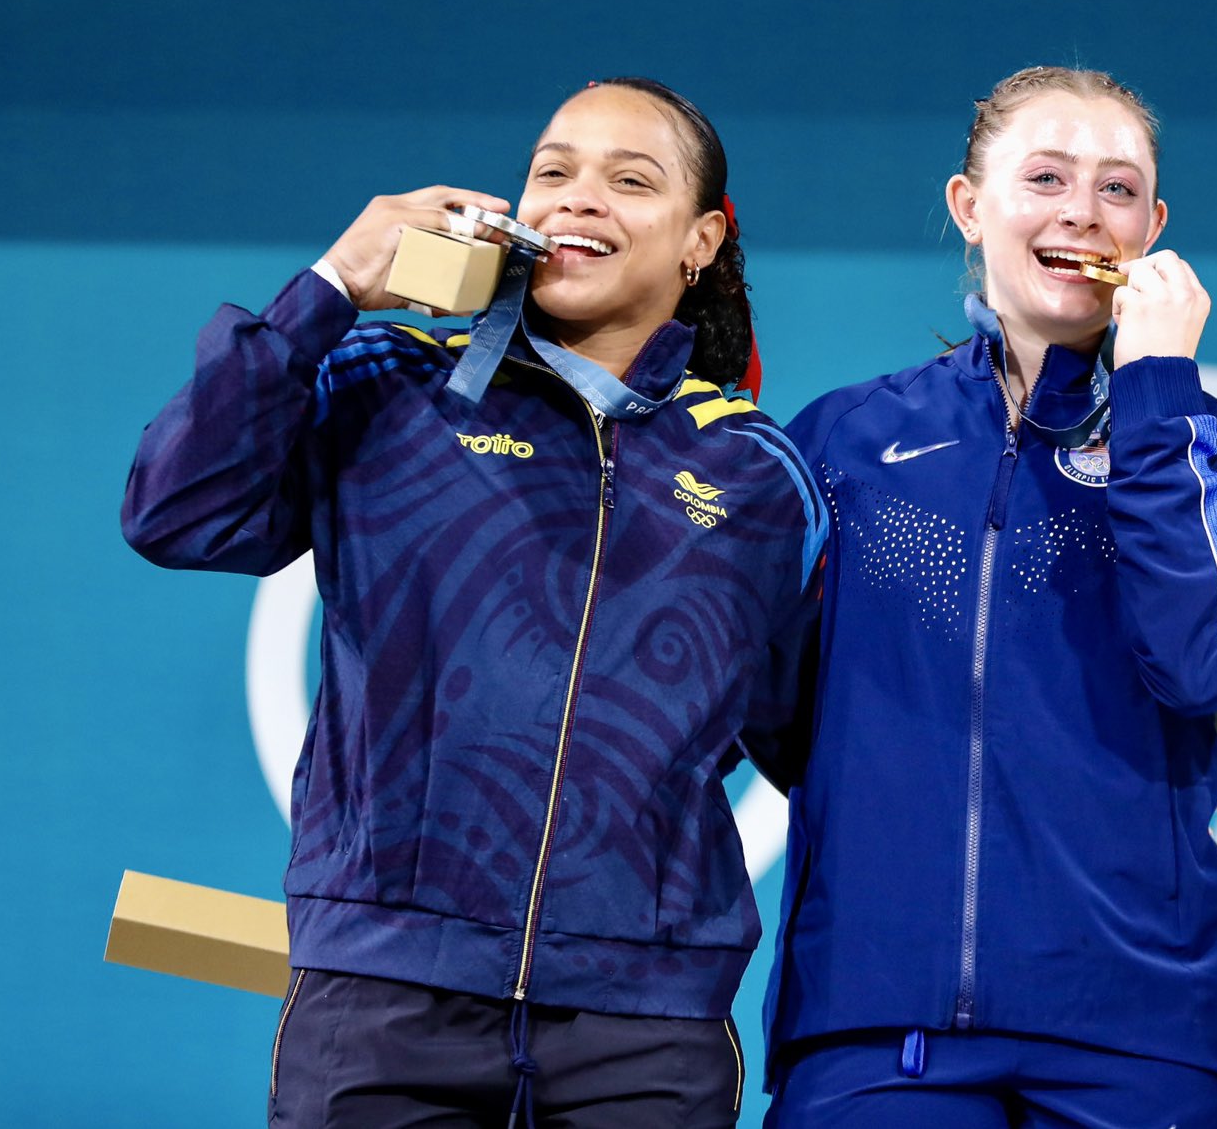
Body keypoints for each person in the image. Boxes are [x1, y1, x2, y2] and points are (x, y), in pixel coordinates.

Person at [122, 78, 826, 1128]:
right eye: (552, 172)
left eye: (631, 180)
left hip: (644, 1029)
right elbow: (177, 511)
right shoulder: (385, 384)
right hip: (384, 1005)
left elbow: (815, 737)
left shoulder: (757, 474)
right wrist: (331, 287)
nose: (578, 198)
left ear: (700, 241)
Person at [762, 66, 1217, 1128]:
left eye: (1115, 189)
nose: (1079, 212)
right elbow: (777, 710)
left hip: (1139, 1032)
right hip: (879, 1026)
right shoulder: (843, 442)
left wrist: (1156, 399)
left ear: (1152, 225)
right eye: (1044, 176)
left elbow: (1205, 667)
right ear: (970, 206)